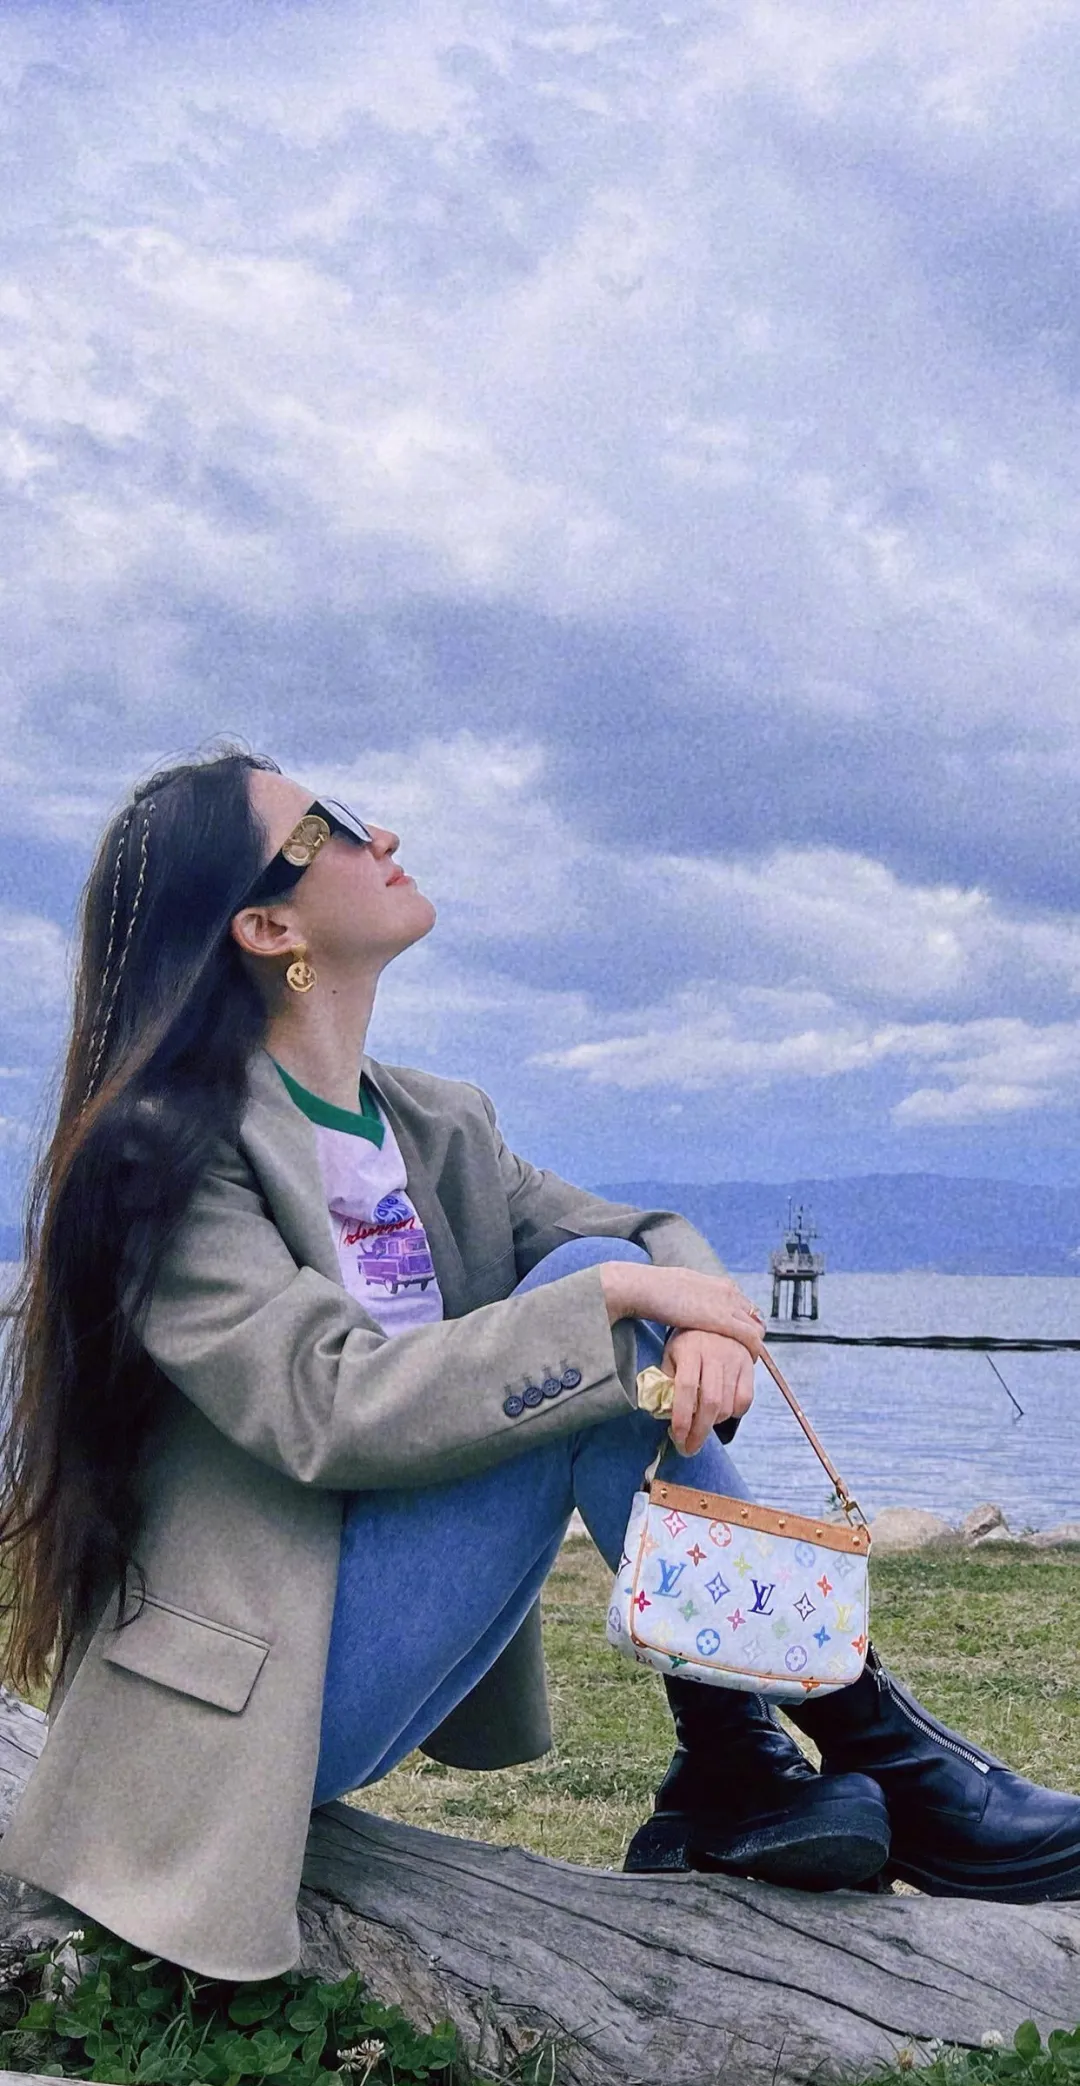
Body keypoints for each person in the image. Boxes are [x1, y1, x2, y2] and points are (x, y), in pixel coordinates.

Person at [1, 748, 1078, 1984]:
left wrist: (698, 1315)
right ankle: (843, 1753)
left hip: (374, 1621)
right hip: (244, 1703)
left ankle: (744, 1755)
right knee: (589, 1320)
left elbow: (639, 1234)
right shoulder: (162, 1155)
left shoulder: (433, 1124)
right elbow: (323, 1404)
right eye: (332, 826)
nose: (382, 835)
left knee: (598, 1308)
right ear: (267, 928)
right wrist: (622, 1297)